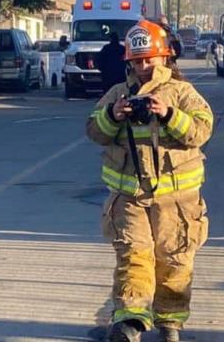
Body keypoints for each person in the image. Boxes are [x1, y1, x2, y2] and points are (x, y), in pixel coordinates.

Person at [86, 19, 214, 342]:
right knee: (134, 255)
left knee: (175, 260)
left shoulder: (183, 93)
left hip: (178, 201)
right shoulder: (118, 93)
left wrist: (170, 114)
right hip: (129, 198)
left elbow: (202, 130)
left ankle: (170, 323)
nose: (143, 66)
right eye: (137, 60)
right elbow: (94, 131)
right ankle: (130, 321)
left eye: (149, 59)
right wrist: (112, 115)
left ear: (165, 58)